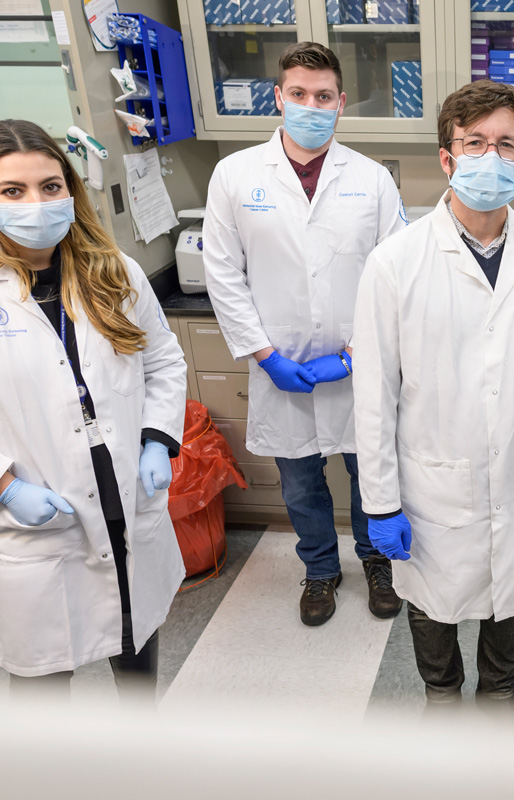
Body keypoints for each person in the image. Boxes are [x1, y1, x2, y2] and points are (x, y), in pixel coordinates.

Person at [0, 119, 188, 698]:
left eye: (51, 187)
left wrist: (157, 439)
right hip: (40, 507)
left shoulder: (115, 270)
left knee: (136, 658)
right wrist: (3, 486)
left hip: (125, 493)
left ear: (70, 191)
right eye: (14, 190)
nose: (38, 202)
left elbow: (164, 364)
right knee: (42, 685)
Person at [352, 81, 514, 712]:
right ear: (446, 157)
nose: (491, 156)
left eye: (505, 144)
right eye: (474, 142)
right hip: (431, 476)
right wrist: (379, 501)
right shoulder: (394, 263)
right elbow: (374, 393)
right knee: (431, 592)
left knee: (510, 585)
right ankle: (441, 693)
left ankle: (498, 690)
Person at [203, 42, 406, 627]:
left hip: (358, 365)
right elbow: (222, 273)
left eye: (322, 97)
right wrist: (265, 357)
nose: (310, 106)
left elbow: (394, 277)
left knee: (370, 471)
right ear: (278, 97)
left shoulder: (371, 179)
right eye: (298, 95)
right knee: (300, 482)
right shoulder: (234, 175)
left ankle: (376, 562)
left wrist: (355, 356)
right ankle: (319, 569)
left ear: (341, 103)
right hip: (280, 364)